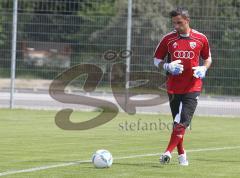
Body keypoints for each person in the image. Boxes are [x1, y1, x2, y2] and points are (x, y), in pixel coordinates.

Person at [153, 7, 212, 166]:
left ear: (187, 20)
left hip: (193, 87)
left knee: (182, 121)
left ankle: (167, 153)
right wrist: (167, 66)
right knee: (178, 122)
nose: (176, 26)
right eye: (174, 23)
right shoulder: (168, 39)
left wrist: (203, 68)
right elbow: (156, 59)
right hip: (173, 87)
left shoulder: (200, 38)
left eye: (179, 23)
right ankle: (182, 155)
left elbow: (208, 58)